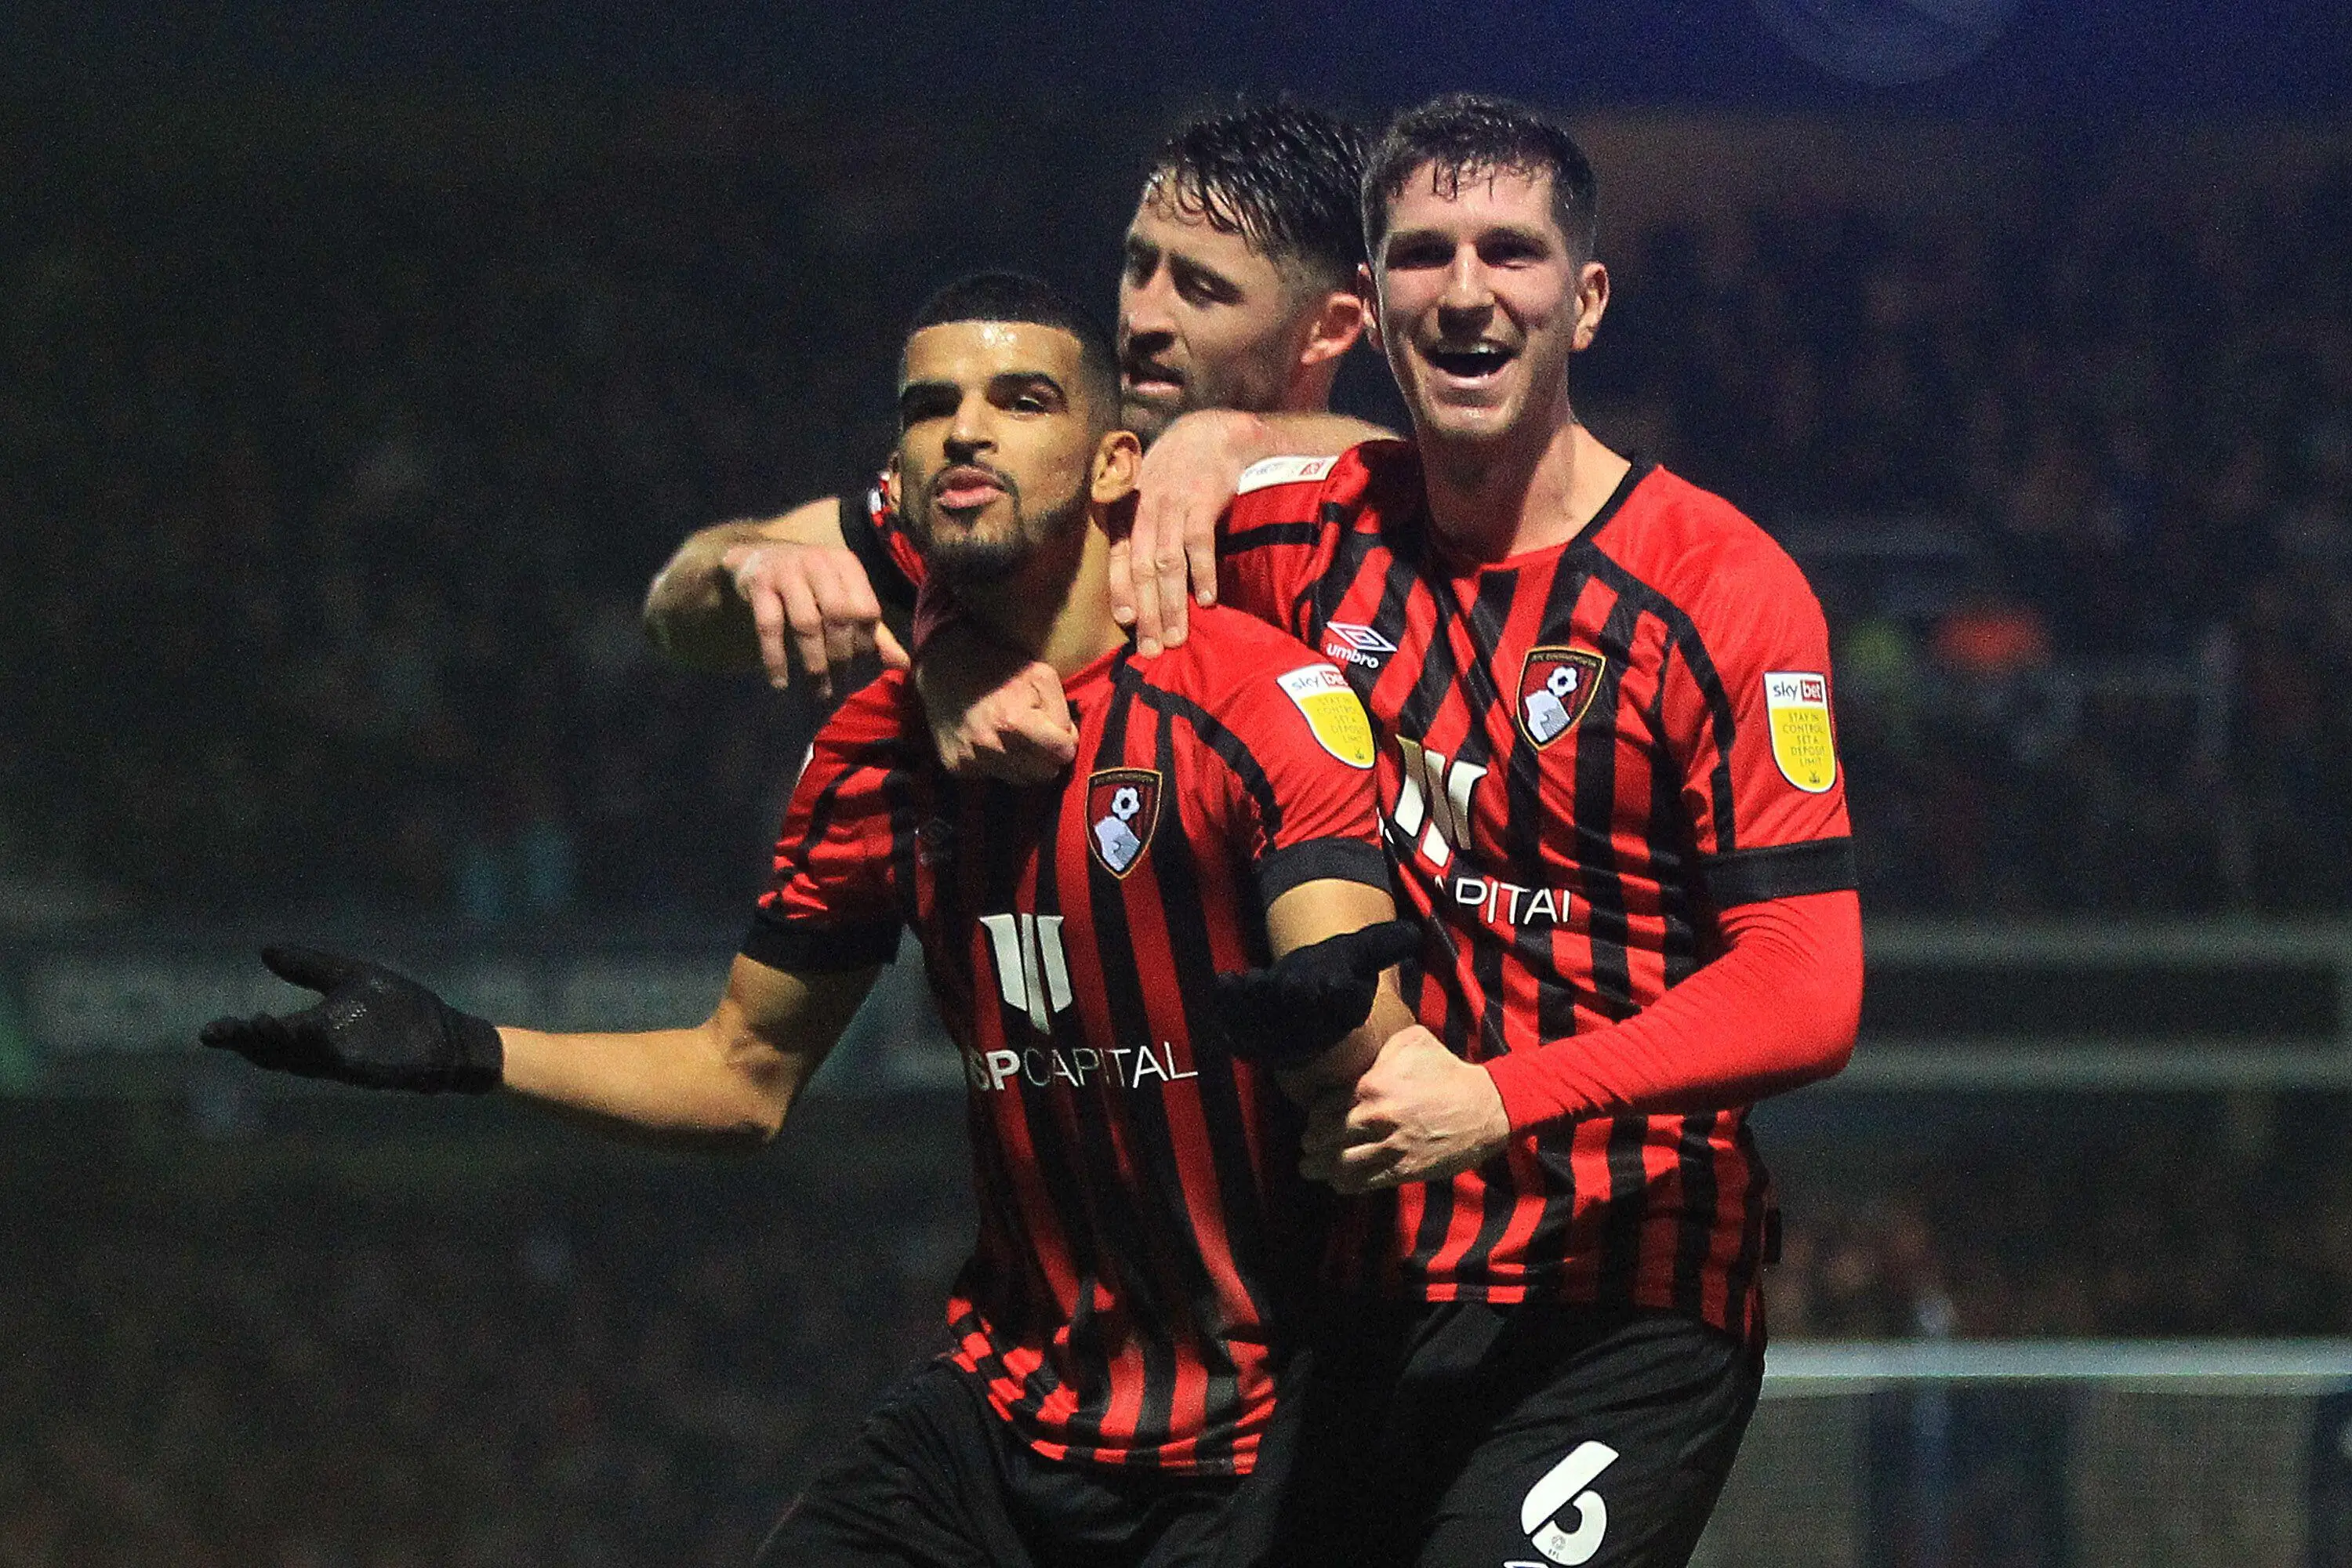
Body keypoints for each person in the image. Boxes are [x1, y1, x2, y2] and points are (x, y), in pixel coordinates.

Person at [200, 274, 1419, 1568]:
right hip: (998, 1420)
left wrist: (1332, 1017)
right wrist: (472, 1050)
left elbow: (1359, 1001)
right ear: (895, 471)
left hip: (1266, 1432)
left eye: (1019, 399)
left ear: (1118, 465)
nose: (966, 429)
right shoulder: (868, 757)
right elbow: (743, 1076)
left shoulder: (1256, 700)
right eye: (931, 406)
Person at [930, 95, 1865, 1567]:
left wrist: (1497, 1101)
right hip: (1359, 1289)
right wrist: (950, 656)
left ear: (1587, 300)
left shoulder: (1725, 592)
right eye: (1425, 253)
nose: (1470, 289)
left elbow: (1808, 988)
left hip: (1622, 1293)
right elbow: (979, 534)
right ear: (1375, 306)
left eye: (1512, 251)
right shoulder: (1299, 528)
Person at [637, 103, 1390, 756]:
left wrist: (1249, 438)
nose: (1142, 317)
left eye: (1202, 289)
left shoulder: (1382, 526)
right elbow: (675, 614)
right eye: (1139, 266)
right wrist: (752, 569)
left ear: (1328, 329)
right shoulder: (1046, 502)